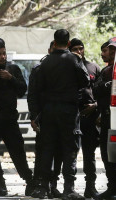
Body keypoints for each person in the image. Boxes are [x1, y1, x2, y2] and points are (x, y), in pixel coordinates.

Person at [32, 29, 89, 200]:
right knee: (69, 148)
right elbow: (85, 81)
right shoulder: (74, 59)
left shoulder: (46, 61)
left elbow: (38, 87)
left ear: (54, 42)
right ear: (69, 43)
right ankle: (68, 189)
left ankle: (43, 188)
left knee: (48, 148)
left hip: (49, 110)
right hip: (68, 111)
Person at [0, 37, 35, 197]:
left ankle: (30, 181)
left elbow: (22, 89)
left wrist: (11, 78)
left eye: (4, 53)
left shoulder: (13, 69)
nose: (3, 57)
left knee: (18, 152)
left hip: (10, 119)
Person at [28, 41, 63, 198]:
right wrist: (34, 116)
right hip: (44, 116)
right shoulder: (39, 68)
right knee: (43, 152)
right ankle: (40, 185)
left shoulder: (66, 67)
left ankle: (52, 184)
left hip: (60, 117)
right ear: (49, 50)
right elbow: (33, 95)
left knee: (58, 152)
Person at [69, 38, 101, 199]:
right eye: (75, 49)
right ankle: (70, 188)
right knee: (70, 155)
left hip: (90, 117)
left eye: (81, 48)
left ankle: (91, 187)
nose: (79, 51)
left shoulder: (93, 67)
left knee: (89, 154)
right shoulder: (66, 68)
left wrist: (95, 106)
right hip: (72, 116)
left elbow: (101, 93)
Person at [94, 37, 116, 200]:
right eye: (111, 49)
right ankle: (112, 187)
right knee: (108, 153)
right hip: (109, 119)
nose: (112, 53)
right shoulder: (106, 71)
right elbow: (96, 90)